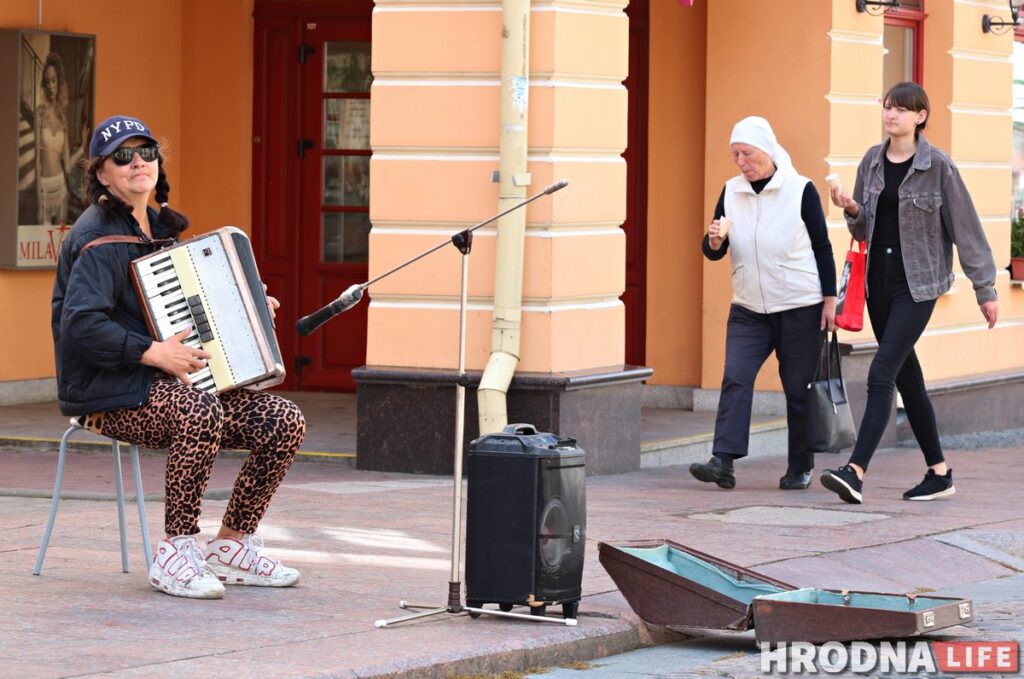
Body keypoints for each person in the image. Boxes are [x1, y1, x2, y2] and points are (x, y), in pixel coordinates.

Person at [51, 115, 307, 599]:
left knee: (282, 418)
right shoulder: (94, 237)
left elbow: (194, 307)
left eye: (146, 152)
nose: (138, 163)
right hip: (105, 395)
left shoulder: (164, 229)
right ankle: (176, 549)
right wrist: (153, 353)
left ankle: (229, 545)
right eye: (122, 156)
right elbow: (81, 326)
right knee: (197, 408)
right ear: (102, 174)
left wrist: (250, 308)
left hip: (164, 387)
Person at [822, 82, 999, 505]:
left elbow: (966, 229)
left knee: (882, 372)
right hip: (876, 286)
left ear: (920, 116)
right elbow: (864, 228)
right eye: (887, 107)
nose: (891, 115)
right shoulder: (872, 161)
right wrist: (850, 208)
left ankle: (856, 470)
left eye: (901, 109)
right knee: (908, 379)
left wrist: (985, 288)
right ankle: (939, 472)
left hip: (917, 288)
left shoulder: (939, 166)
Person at [690, 116, 837, 491]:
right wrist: (714, 242)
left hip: (799, 305)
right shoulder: (730, 192)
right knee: (736, 376)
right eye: (736, 154)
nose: (741, 161)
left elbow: (822, 247)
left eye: (748, 153)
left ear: (768, 151)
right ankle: (723, 461)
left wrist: (829, 300)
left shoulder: (800, 190)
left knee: (796, 388)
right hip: (749, 307)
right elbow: (712, 250)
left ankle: (799, 466)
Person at [35, 52, 86, 225]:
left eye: (54, 80)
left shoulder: (63, 118)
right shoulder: (40, 114)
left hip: (60, 188)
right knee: (41, 246)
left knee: (60, 248)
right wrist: (37, 192)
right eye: (47, 81)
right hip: (43, 189)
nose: (50, 86)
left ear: (59, 82)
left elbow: (67, 165)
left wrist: (82, 147)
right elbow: (36, 159)